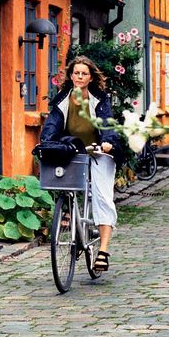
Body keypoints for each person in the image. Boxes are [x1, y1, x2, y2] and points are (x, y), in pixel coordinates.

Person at [39, 55, 124, 271]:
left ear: (90, 78)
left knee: (102, 197)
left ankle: (103, 250)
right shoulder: (62, 99)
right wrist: (47, 140)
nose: (79, 76)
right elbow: (53, 123)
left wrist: (107, 142)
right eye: (76, 72)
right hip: (73, 151)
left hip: (99, 152)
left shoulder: (99, 98)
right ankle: (73, 224)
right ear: (70, 75)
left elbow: (107, 124)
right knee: (64, 185)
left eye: (84, 73)